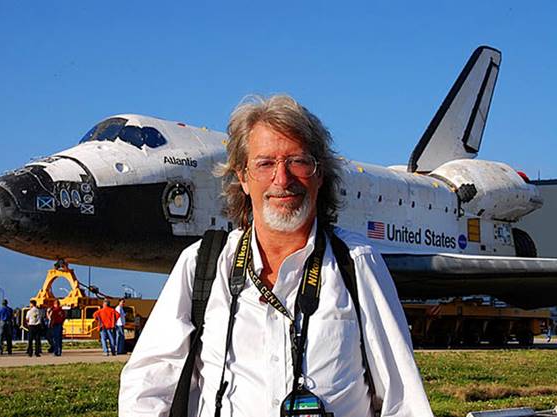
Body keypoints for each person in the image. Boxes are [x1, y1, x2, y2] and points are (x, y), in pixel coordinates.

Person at [119, 95, 434, 416]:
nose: (282, 179)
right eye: (265, 163)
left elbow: (402, 395)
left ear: (320, 174)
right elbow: (149, 381)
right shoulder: (202, 264)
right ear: (242, 177)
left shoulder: (355, 262)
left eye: (297, 161)